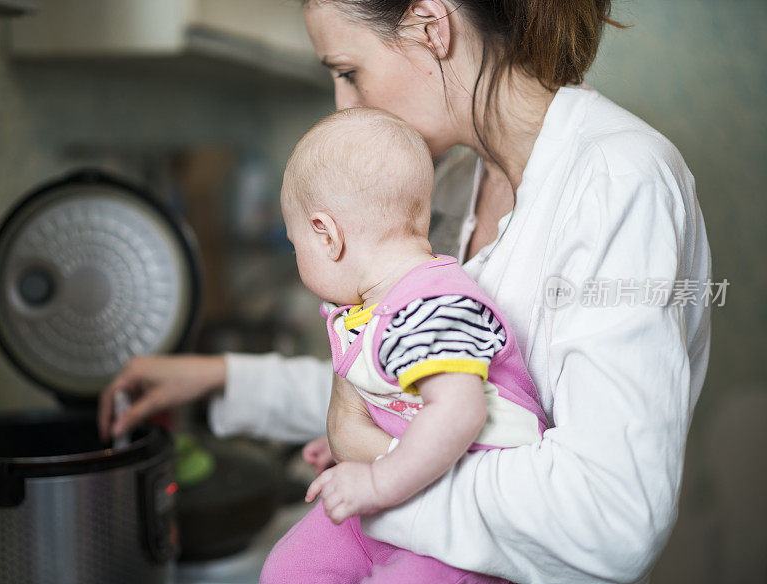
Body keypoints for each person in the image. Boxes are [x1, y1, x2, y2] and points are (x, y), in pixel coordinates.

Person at [98, 1, 712, 582]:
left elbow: (610, 520)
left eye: (349, 72)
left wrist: (376, 484)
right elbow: (410, 382)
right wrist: (221, 379)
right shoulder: (448, 189)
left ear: (429, 26)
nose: (343, 108)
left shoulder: (618, 182)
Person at [259, 107, 548, 583]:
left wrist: (376, 479)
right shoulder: (374, 307)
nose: (299, 261)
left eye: (297, 246)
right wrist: (358, 437)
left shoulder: (434, 302)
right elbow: (406, 399)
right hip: (406, 484)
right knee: (291, 568)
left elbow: (458, 413)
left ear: (326, 234)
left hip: (462, 516)